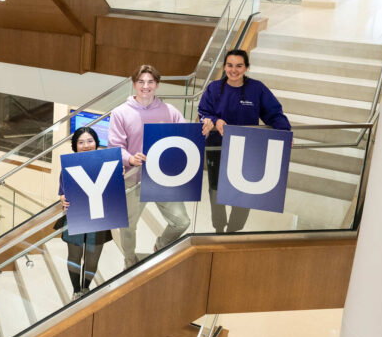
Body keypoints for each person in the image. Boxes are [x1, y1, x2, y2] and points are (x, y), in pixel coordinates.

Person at [198, 49, 291, 233]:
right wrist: (216, 121)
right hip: (218, 146)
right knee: (216, 188)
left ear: (246, 67)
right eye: (230, 65)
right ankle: (218, 226)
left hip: (248, 148)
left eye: (239, 66)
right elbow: (203, 112)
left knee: (244, 190)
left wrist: (285, 133)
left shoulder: (257, 89)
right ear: (224, 67)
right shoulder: (214, 88)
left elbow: (274, 114)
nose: (234, 70)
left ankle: (234, 228)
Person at [108, 65, 191, 267]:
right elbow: (115, 146)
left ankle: (161, 245)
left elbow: (187, 137)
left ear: (157, 84)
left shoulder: (169, 111)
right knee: (128, 226)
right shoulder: (120, 113)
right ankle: (129, 260)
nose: (146, 86)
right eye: (141, 82)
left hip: (163, 179)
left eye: (150, 82)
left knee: (182, 221)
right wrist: (130, 158)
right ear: (134, 84)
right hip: (134, 178)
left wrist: (202, 129)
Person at [56, 125, 111, 299]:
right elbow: (62, 192)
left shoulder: (107, 163)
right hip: (76, 216)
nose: (86, 145)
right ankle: (76, 291)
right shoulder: (68, 167)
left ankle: (86, 288)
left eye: (90, 141)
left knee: (93, 258)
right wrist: (62, 199)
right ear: (75, 145)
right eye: (81, 142)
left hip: (99, 217)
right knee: (74, 256)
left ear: (96, 143)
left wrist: (118, 174)